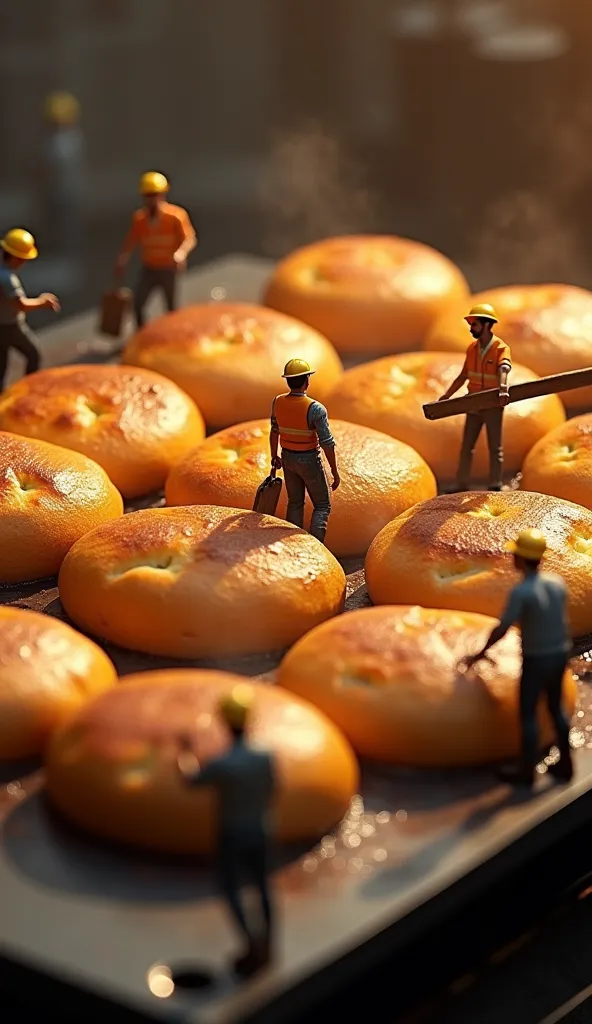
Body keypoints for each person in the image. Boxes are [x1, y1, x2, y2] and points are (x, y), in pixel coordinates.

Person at [461, 528, 574, 787]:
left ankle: (527, 770)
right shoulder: (556, 583)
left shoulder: (522, 592)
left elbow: (503, 627)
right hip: (560, 653)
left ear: (520, 559)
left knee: (528, 713)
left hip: (536, 658)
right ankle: (566, 763)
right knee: (556, 709)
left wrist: (480, 653)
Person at [175, 685, 275, 976]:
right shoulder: (265, 756)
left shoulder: (223, 764)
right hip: (261, 827)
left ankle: (249, 942)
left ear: (224, 722)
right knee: (262, 888)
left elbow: (190, 781)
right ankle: (268, 943)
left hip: (232, 832)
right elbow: (273, 788)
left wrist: (184, 752)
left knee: (232, 890)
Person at [438, 303, 511, 491]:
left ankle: (495, 484)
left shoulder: (500, 347)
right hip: (473, 404)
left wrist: (503, 387)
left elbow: (504, 367)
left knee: (495, 448)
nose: (471, 329)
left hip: (493, 404)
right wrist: (447, 395)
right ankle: (462, 483)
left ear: (487, 325)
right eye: (471, 325)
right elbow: (463, 375)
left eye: (475, 325)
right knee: (467, 447)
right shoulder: (471, 349)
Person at [270, 358, 340, 544]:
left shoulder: (278, 402)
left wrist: (274, 455)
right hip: (309, 459)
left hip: (287, 457)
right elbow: (327, 442)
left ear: (288, 380)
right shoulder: (315, 409)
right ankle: (315, 546)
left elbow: (274, 431)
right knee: (322, 505)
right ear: (306, 380)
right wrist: (334, 470)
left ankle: (293, 546)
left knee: (294, 502)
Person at [114, 171, 197, 329]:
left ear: (163, 194)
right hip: (150, 269)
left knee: (171, 308)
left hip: (168, 269)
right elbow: (131, 241)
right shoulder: (140, 219)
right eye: (148, 195)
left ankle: (173, 337)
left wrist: (181, 253)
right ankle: (142, 335)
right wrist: (122, 259)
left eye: (155, 195)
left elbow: (190, 238)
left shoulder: (175, 216)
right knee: (138, 303)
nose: (151, 199)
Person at [0, 229, 60, 392]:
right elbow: (21, 305)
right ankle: (30, 390)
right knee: (33, 354)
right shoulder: (8, 279)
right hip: (10, 326)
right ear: (17, 258)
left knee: (2, 365)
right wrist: (43, 302)